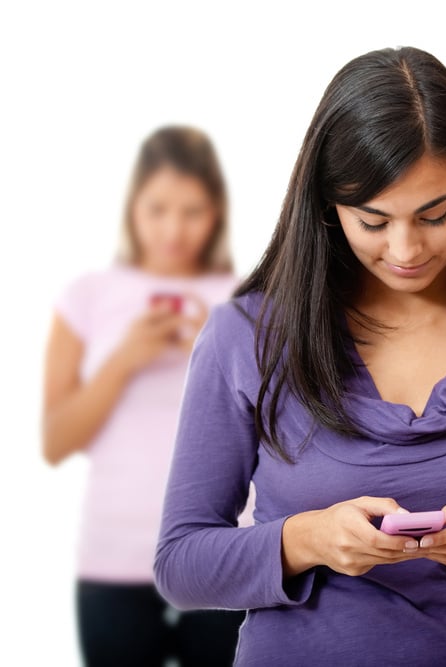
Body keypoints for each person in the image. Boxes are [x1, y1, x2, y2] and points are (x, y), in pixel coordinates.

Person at [153, 46, 446, 666]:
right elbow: (180, 564)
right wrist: (305, 540)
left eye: (434, 214)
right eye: (373, 221)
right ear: (327, 205)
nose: (406, 249)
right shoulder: (247, 337)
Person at [42, 126, 245, 665]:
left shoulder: (244, 300)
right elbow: (56, 441)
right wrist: (124, 360)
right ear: (132, 206)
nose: (173, 230)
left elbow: (283, 430)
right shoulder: (87, 297)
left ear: (217, 212)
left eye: (192, 211)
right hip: (113, 558)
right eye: (157, 209)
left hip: (221, 555)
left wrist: (222, 344)